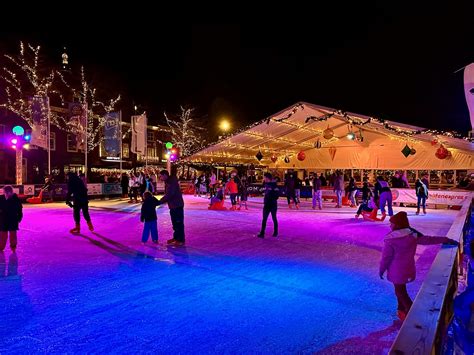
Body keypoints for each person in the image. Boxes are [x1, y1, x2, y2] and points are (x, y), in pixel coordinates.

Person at [379, 211, 458, 321]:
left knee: (400, 292)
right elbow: (429, 239)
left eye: (392, 223)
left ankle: (412, 315)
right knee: (400, 289)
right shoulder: (412, 235)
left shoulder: (391, 240)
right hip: (408, 269)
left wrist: (381, 270)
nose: (390, 226)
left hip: (396, 271)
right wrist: (445, 239)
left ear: (397, 225)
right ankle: (401, 310)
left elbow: (386, 258)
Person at [157, 170, 185, 246]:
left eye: (161, 176)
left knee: (178, 222)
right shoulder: (169, 182)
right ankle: (176, 237)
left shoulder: (171, 182)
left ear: (165, 175)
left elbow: (170, 194)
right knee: (175, 223)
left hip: (177, 205)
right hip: (173, 205)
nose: (160, 178)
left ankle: (180, 239)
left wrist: (160, 201)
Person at [0, 186, 23, 252]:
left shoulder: (15, 199)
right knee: (3, 234)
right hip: (3, 220)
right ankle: (1, 247)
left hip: (12, 219)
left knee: (12, 234)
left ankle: (13, 247)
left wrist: (19, 218)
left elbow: (19, 210)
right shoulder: (1, 198)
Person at [257, 173, 279, 238]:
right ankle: (262, 233)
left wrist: (271, 197)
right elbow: (263, 190)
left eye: (264, 177)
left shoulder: (274, 185)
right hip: (267, 204)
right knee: (264, 219)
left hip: (272, 204)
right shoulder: (265, 185)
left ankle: (275, 232)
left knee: (274, 218)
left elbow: (277, 195)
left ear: (267, 178)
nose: (264, 179)